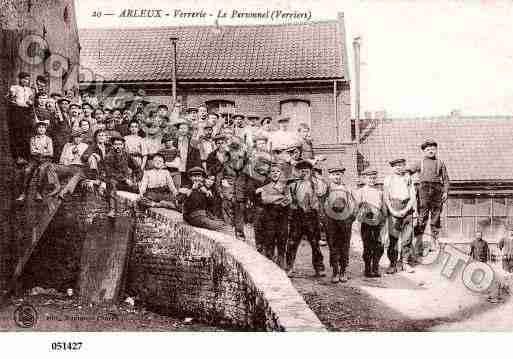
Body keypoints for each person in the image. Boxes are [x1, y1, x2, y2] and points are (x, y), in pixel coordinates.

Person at [286, 160, 327, 278]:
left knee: (315, 243)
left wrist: (317, 177)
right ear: (298, 172)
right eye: (302, 171)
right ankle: (289, 267)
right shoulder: (293, 184)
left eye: (307, 171)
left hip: (311, 216)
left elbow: (322, 191)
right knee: (292, 242)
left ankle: (319, 268)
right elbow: (288, 198)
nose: (304, 173)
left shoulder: (315, 183)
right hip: (297, 216)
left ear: (310, 171)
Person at [408, 139, 450, 248]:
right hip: (424, 190)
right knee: (422, 215)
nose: (431, 151)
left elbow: (445, 179)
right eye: (428, 149)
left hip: (437, 190)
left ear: (436, 150)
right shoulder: (420, 163)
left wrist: (445, 191)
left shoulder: (440, 163)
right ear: (424, 151)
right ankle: (418, 241)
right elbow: (408, 172)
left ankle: (434, 241)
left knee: (436, 216)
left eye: (433, 149)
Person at [323, 166, 357, 283]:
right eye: (334, 174)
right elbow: (322, 204)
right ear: (330, 176)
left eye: (339, 174)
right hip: (331, 220)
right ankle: (335, 271)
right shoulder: (326, 188)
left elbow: (354, 203)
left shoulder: (347, 188)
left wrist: (351, 218)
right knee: (333, 245)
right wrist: (325, 219)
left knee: (344, 245)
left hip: (345, 220)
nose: (337, 176)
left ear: (342, 175)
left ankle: (343, 270)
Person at [383, 158, 417, 274]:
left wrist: (407, 209)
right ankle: (392, 263)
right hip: (394, 207)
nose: (398, 167)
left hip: (407, 208)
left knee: (407, 237)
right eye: (396, 166)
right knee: (393, 238)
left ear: (404, 166)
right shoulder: (388, 179)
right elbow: (386, 197)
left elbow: (413, 196)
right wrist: (392, 210)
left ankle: (405, 262)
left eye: (401, 165)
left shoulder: (408, 178)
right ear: (392, 168)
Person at [256, 162, 289, 267]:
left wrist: (273, 198)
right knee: (269, 242)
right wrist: (279, 198)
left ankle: (281, 266)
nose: (275, 174)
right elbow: (264, 200)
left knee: (282, 242)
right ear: (269, 174)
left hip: (282, 218)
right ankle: (270, 266)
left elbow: (288, 200)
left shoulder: (285, 186)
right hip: (269, 218)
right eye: (273, 171)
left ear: (281, 173)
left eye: (278, 171)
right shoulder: (265, 186)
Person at [356, 169, 387, 278]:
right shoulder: (361, 191)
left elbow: (383, 207)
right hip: (366, 222)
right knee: (368, 245)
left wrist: (384, 219)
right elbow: (357, 207)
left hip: (378, 221)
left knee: (378, 245)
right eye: (369, 178)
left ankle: (375, 267)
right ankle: (368, 269)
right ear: (365, 179)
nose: (372, 180)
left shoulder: (380, 192)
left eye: (374, 178)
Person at [103, 134, 143, 217]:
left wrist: (137, 179)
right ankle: (112, 210)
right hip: (114, 180)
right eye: (116, 144)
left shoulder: (126, 155)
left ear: (123, 145)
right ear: (112, 145)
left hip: (125, 182)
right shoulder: (108, 156)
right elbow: (110, 172)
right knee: (112, 184)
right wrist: (125, 179)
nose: (118, 147)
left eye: (120, 144)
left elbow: (137, 168)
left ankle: (138, 210)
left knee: (137, 188)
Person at [16, 121, 55, 202]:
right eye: (39, 127)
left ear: (45, 129)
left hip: (46, 160)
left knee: (41, 169)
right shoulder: (33, 139)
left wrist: (40, 151)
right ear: (37, 129)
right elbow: (32, 151)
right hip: (34, 159)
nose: (41, 129)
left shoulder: (48, 139)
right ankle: (23, 193)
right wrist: (44, 150)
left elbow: (51, 153)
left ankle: (38, 192)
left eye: (43, 127)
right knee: (27, 170)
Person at [6, 71, 35, 163]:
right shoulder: (14, 87)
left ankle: (25, 156)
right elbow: (9, 98)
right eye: (24, 79)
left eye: (27, 79)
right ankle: (17, 156)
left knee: (25, 133)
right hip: (17, 111)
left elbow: (31, 101)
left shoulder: (29, 90)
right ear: (19, 79)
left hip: (26, 112)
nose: (26, 81)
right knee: (17, 133)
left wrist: (30, 102)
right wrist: (11, 96)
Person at [174, 118, 202, 187]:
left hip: (189, 170)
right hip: (176, 170)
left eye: (184, 128)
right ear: (178, 130)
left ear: (188, 130)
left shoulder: (193, 142)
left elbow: (197, 158)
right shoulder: (174, 142)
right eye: (181, 128)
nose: (183, 130)